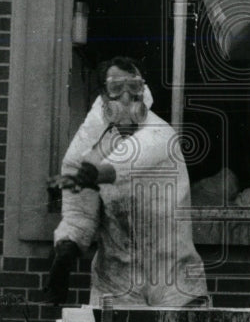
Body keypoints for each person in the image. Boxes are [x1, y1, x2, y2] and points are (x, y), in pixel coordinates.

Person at [46, 57, 209, 307]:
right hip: (116, 281)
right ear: (103, 95)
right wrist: (67, 249)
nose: (126, 97)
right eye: (116, 88)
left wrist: (88, 175)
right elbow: (80, 213)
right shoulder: (93, 145)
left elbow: (128, 162)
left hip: (173, 280)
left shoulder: (161, 133)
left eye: (133, 87)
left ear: (143, 90)